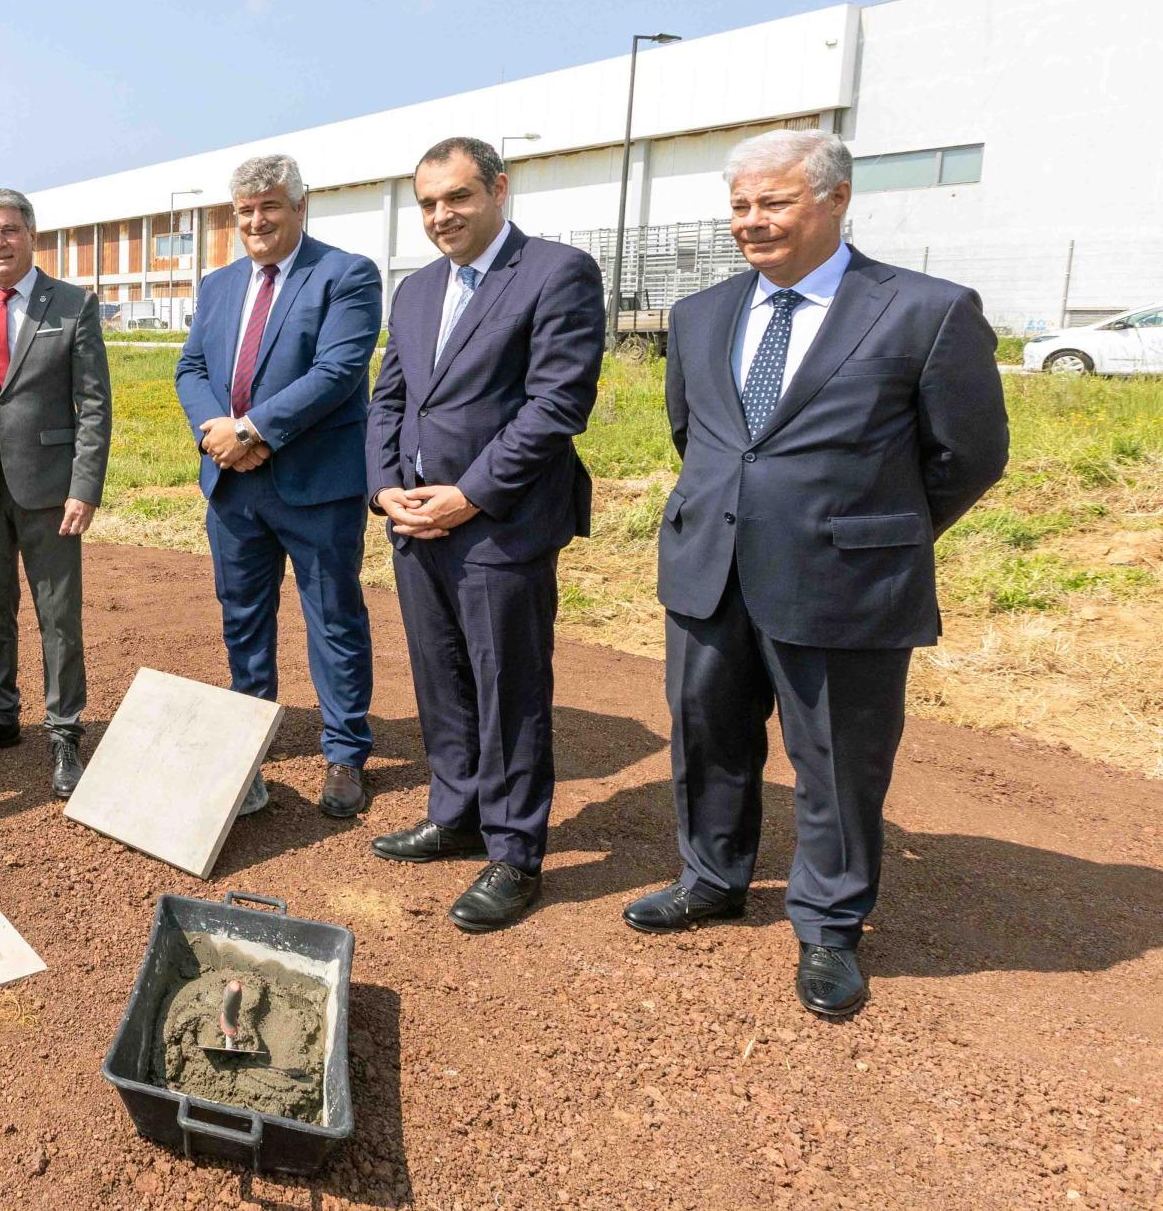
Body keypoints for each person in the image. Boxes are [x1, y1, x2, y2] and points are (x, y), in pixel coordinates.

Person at [633, 128, 1008, 1016]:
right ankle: (711, 877)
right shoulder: (699, 315)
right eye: (739, 206)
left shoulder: (926, 309)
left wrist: (874, 531)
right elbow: (698, 436)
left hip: (846, 581)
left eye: (773, 202)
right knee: (707, 731)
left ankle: (831, 924)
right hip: (710, 568)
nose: (750, 223)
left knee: (837, 758)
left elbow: (971, 453)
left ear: (835, 199)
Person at [364, 137, 607, 932]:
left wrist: (467, 494)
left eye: (458, 197)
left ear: (499, 189)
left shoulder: (555, 273)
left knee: (509, 685)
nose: (441, 216)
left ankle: (514, 851)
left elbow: (556, 405)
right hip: (415, 522)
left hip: (500, 523)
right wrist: (387, 490)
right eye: (428, 202)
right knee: (440, 676)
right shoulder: (416, 290)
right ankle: (456, 810)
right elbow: (390, 399)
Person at [174, 154, 381, 819]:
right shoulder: (219, 284)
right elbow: (192, 366)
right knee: (242, 618)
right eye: (244, 210)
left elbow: (340, 368)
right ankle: (249, 735)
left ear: (299, 206)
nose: (256, 220)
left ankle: (345, 749)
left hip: (315, 484)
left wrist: (255, 430)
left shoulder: (344, 274)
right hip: (232, 486)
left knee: (333, 618)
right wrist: (216, 431)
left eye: (269, 206)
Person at [0, 189, 112, 796]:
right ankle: (1, 714)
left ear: (32, 235)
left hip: (52, 490)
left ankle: (63, 731)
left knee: (58, 616)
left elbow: (93, 405)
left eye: (9, 230)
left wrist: (85, 486)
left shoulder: (74, 304)